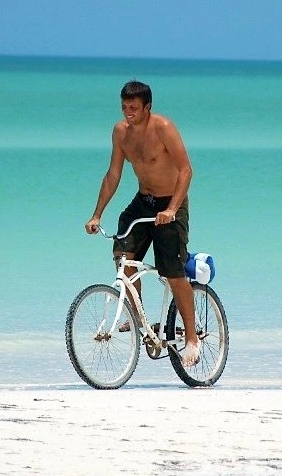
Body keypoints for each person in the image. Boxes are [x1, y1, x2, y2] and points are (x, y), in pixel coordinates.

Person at [84, 80, 200, 367]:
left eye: (134, 108)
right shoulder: (121, 132)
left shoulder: (163, 128)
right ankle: (140, 323)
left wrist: (172, 208)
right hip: (143, 202)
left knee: (172, 273)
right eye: (124, 107)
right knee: (123, 257)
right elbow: (113, 174)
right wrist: (97, 214)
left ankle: (191, 338)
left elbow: (186, 171)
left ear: (147, 107)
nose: (128, 113)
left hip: (170, 204)